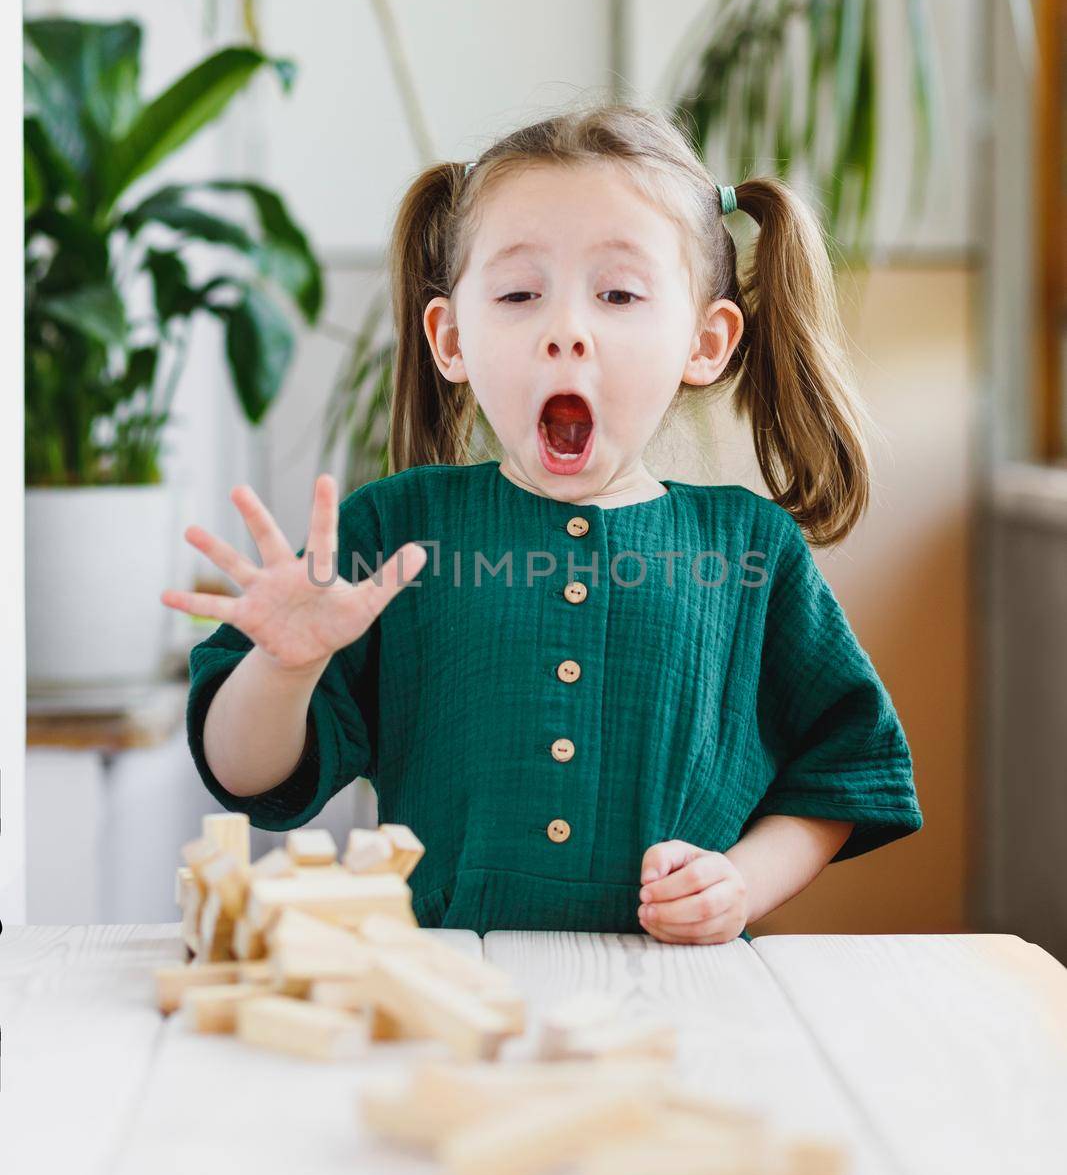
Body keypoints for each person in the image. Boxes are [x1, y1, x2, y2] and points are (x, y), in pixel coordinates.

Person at [165, 99, 922, 944]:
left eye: (619, 294)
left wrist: (739, 886)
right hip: (443, 990)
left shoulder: (749, 553)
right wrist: (282, 664)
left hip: (684, 1001)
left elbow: (843, 770)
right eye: (520, 293)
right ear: (451, 338)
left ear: (705, 343)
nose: (565, 330)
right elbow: (243, 774)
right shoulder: (390, 534)